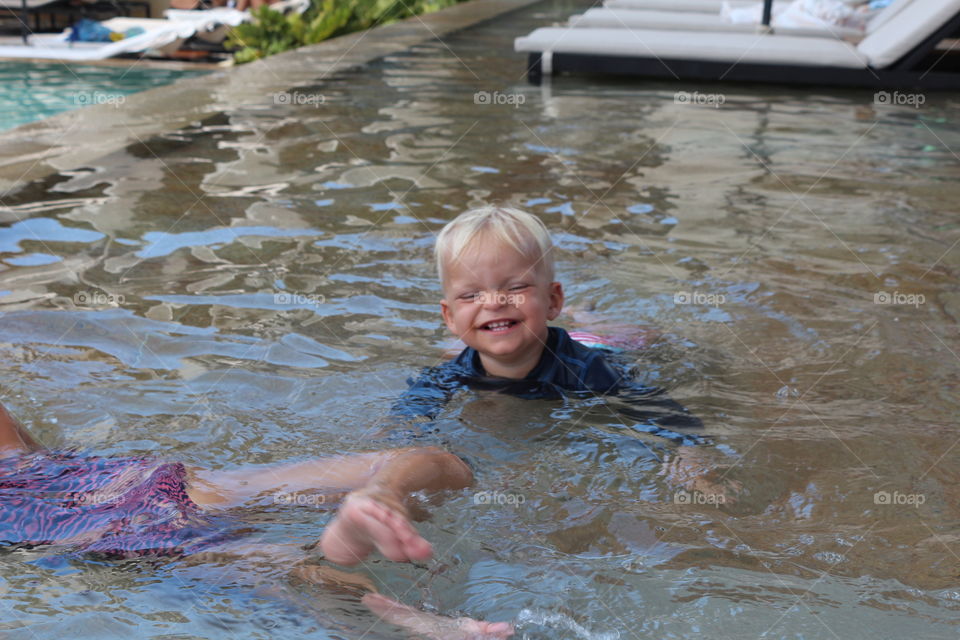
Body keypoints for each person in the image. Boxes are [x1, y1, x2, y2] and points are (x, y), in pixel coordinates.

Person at [0, 401, 513, 639]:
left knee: (280, 570)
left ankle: (425, 621)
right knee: (423, 463)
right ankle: (382, 492)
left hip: (93, 531)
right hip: (145, 479)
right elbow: (46, 462)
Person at [393, 206, 737, 499]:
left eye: (515, 288)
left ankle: (588, 317)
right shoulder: (450, 374)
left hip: (595, 346)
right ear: (449, 316)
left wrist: (692, 458)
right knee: (450, 353)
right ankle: (572, 314)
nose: (495, 301)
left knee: (635, 338)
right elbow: (404, 421)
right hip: (519, 339)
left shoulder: (588, 371)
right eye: (470, 295)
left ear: (553, 300)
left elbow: (666, 413)